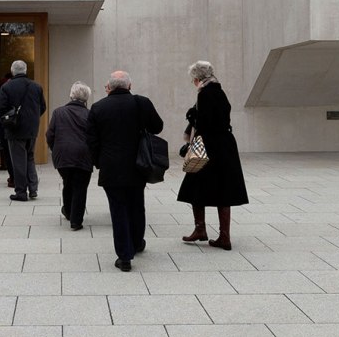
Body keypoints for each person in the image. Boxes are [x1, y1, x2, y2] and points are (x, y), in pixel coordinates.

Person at [87, 70, 163, 271]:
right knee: (137, 205)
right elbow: (158, 127)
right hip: (138, 165)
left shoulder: (97, 108)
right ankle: (137, 242)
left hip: (111, 167)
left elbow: (91, 141)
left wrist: (99, 162)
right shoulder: (141, 102)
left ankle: (124, 256)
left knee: (118, 210)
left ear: (109, 87)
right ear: (129, 86)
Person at [176, 60, 248, 250]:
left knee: (194, 186)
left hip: (208, 146)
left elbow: (205, 123)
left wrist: (192, 115)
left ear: (197, 78)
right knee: (223, 190)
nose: (194, 82)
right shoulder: (219, 91)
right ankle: (224, 236)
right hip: (224, 147)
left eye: (194, 79)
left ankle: (200, 229)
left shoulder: (205, 94)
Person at [0, 60, 46, 201]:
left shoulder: (7, 87)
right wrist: (32, 119)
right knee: (30, 158)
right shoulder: (36, 86)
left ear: (12, 71)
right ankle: (33, 188)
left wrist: (6, 121)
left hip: (14, 129)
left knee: (18, 160)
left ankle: (21, 192)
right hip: (32, 129)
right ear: (25, 70)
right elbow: (42, 107)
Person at [46, 81, 94, 230]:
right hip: (83, 155)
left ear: (71, 95)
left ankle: (68, 211)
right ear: (86, 98)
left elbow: (50, 134)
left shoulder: (58, 112)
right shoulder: (90, 114)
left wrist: (55, 149)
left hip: (63, 155)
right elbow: (95, 136)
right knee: (80, 186)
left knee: (68, 182)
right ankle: (76, 221)